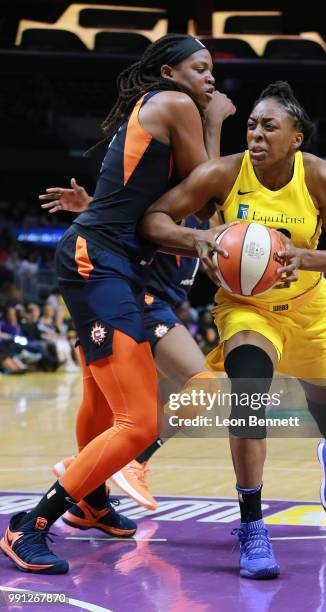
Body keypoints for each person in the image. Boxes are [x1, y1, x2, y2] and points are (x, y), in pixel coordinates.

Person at [0, 33, 234, 575]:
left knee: (115, 406)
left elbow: (147, 196)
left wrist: (98, 206)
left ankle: (94, 503)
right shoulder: (176, 105)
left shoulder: (156, 108)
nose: (210, 78)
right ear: (171, 73)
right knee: (138, 420)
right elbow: (209, 191)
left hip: (123, 266)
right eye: (200, 68)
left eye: (211, 70)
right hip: (97, 263)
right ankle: (27, 526)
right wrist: (217, 122)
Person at [140, 81, 326, 579]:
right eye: (251, 125)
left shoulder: (321, 177)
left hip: (309, 311)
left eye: (269, 126)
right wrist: (195, 236)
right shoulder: (223, 172)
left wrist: (302, 256)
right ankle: (252, 525)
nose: (256, 134)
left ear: (297, 137)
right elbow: (154, 219)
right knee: (247, 394)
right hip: (246, 309)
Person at [40, 181, 223, 511]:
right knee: (202, 385)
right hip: (138, 303)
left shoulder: (209, 224)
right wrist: (91, 206)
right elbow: (132, 220)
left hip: (126, 306)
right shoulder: (167, 209)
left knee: (110, 412)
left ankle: (82, 475)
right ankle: (134, 461)